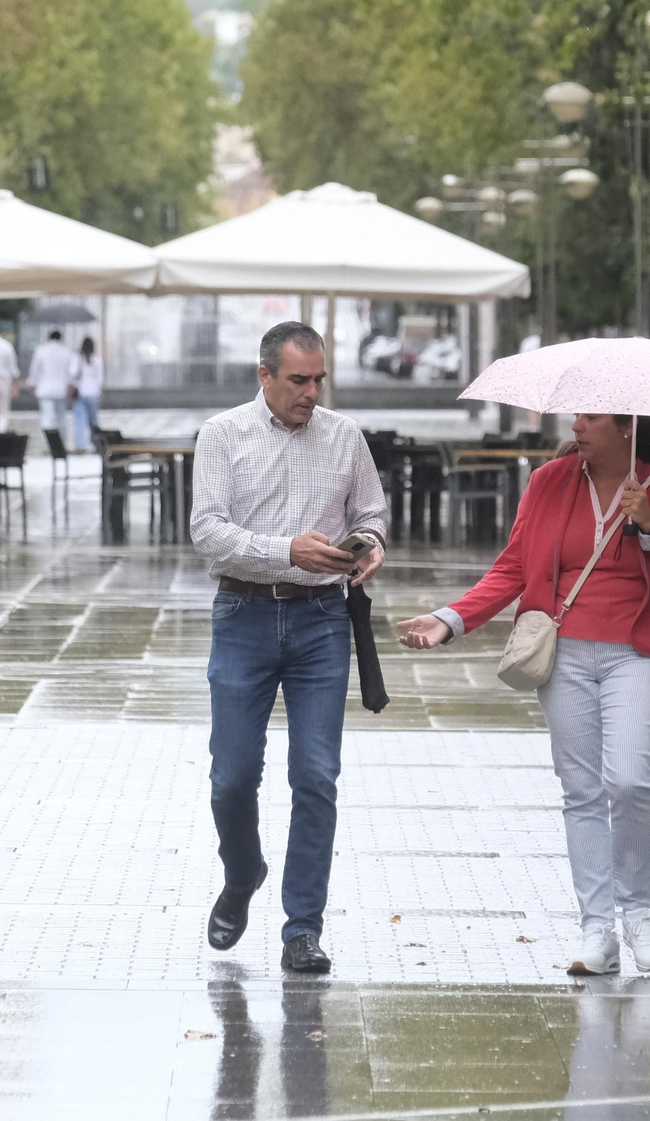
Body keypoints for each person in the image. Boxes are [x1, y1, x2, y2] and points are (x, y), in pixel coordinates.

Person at [396, 414, 650, 975]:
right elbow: (514, 566)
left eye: (591, 417)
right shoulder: (551, 482)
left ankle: (637, 913)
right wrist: (451, 619)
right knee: (582, 790)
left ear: (625, 427)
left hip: (637, 651)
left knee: (629, 779)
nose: (577, 425)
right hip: (562, 651)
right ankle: (597, 931)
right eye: (578, 416)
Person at [191, 320, 387, 974]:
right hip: (243, 615)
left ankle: (302, 928)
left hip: (321, 622)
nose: (311, 392)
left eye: (319, 379)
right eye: (298, 380)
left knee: (316, 775)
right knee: (232, 776)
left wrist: (371, 546)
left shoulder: (344, 438)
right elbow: (208, 533)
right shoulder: (222, 436)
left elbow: (372, 514)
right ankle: (242, 872)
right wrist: (286, 550)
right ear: (264, 376)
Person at [27, 329, 80, 447]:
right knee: (62, 418)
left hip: (45, 389)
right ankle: (62, 444)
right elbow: (73, 372)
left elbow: (35, 370)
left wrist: (32, 384)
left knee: (47, 417)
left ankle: (49, 445)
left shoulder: (41, 350)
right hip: (62, 389)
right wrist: (71, 384)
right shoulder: (66, 351)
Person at [72, 336, 104, 452]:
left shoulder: (78, 358)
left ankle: (80, 445)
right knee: (93, 421)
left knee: (80, 420)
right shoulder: (97, 360)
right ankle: (96, 444)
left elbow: (72, 374)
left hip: (81, 392)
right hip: (94, 393)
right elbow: (100, 379)